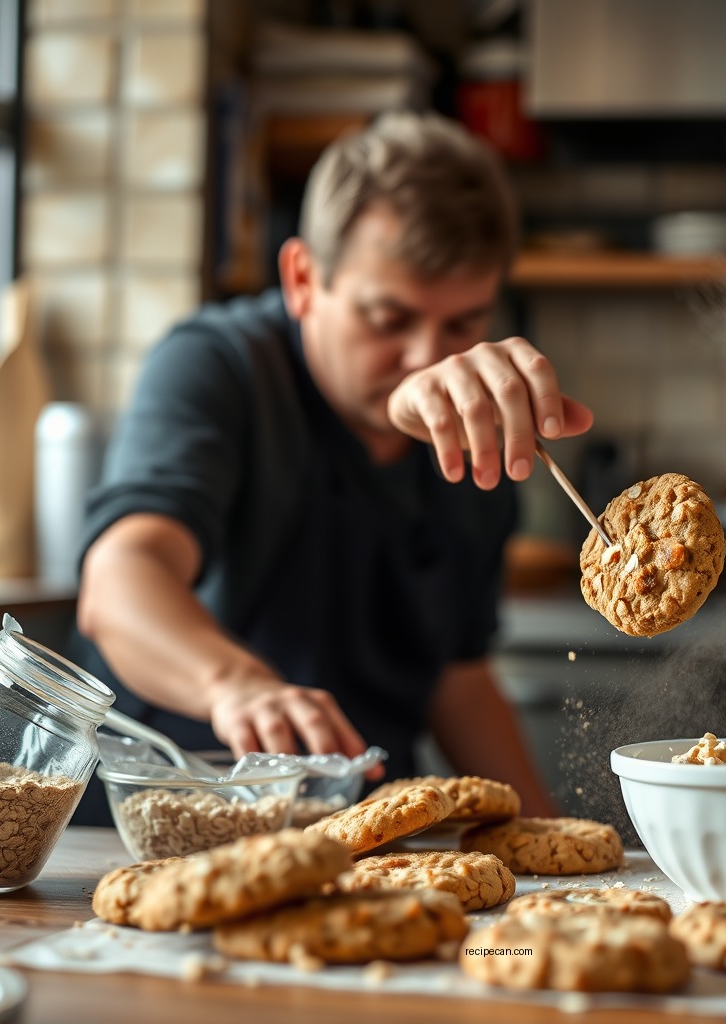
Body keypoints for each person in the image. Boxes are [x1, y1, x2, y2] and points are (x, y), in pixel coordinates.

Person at [71, 111, 593, 823]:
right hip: (165, 822)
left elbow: (457, 679)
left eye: (463, 324)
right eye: (388, 319)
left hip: (361, 842)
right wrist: (239, 686)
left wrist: (557, 844)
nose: (427, 357)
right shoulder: (218, 369)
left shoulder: (488, 439)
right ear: (303, 279)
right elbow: (120, 579)